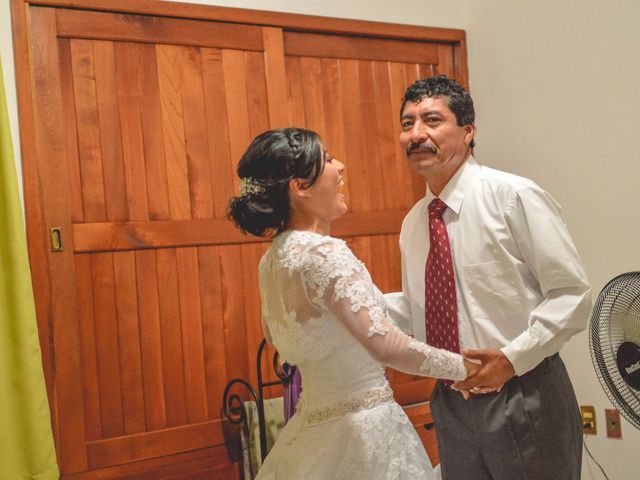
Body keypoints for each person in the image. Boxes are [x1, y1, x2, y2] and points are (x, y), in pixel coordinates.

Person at [228, 127, 480, 480]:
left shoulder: (271, 262)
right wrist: (467, 369)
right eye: (328, 159)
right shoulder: (324, 253)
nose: (341, 167)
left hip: (311, 432)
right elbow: (386, 346)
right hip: (363, 433)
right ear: (300, 186)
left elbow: (293, 334)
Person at [387, 75, 592, 479]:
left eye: (431, 120)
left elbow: (571, 294)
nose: (417, 134)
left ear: (468, 131)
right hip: (449, 401)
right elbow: (418, 312)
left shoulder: (514, 197)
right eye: (407, 123)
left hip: (525, 390)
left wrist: (511, 360)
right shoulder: (414, 223)